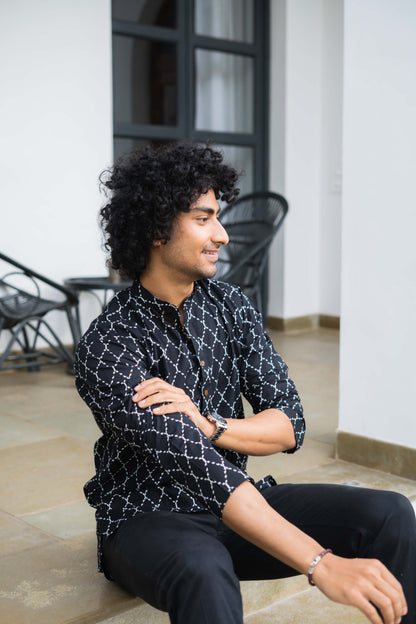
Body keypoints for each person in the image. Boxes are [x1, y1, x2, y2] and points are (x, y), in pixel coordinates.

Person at [74, 142, 415, 624]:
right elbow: (195, 465)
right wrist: (321, 563)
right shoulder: (110, 342)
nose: (223, 234)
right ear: (154, 228)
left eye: (219, 217)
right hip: (148, 517)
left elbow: (290, 422)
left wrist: (210, 424)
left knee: (390, 512)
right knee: (204, 570)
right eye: (203, 218)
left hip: (238, 503)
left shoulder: (231, 306)